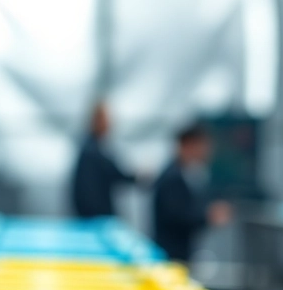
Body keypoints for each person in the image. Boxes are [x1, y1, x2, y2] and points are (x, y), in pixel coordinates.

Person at [152, 124, 233, 263]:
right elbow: (176, 216)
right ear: (189, 144)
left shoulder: (184, 173)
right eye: (203, 145)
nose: (207, 151)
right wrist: (208, 215)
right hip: (171, 255)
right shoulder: (172, 177)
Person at [70, 103, 137, 219]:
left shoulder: (93, 147)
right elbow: (113, 172)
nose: (109, 124)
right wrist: (136, 177)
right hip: (95, 216)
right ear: (97, 121)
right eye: (106, 119)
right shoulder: (92, 150)